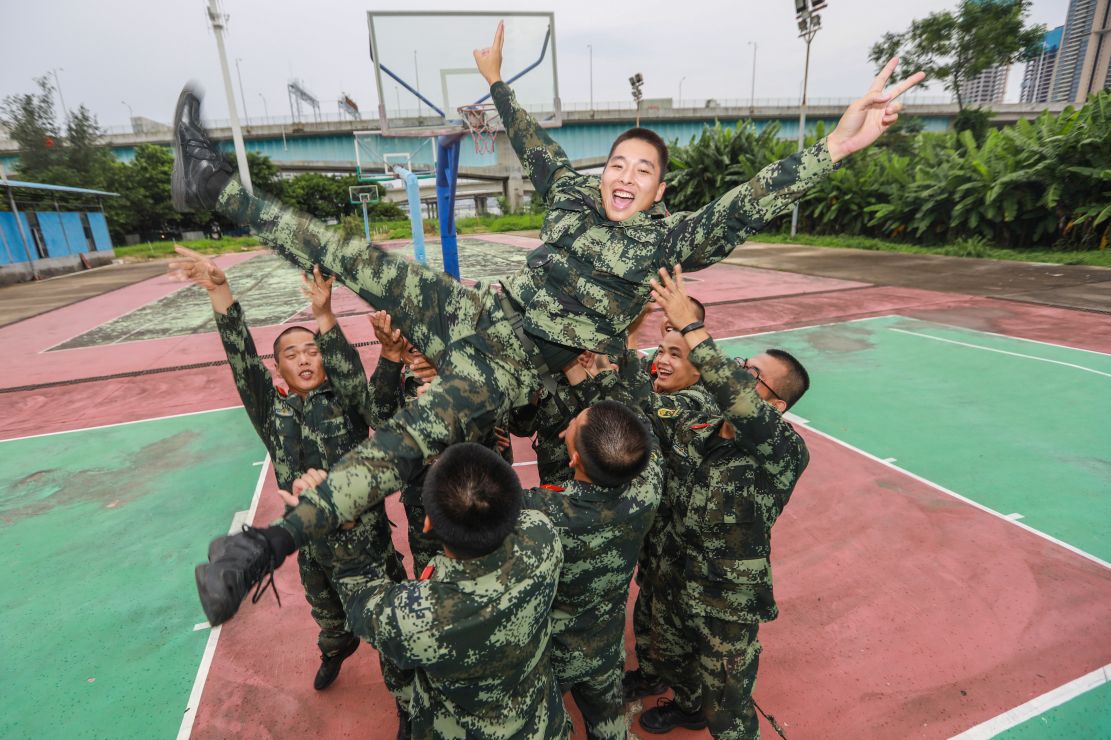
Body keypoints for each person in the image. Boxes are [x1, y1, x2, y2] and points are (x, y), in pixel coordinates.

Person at [181, 24, 923, 627]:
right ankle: (214, 184)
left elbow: (744, 203)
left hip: (506, 368)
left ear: (659, 191)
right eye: (619, 164)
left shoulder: (664, 243)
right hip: (476, 312)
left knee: (394, 452)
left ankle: (254, 552)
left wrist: (834, 145)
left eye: (642, 171)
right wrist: (499, 83)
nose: (624, 176)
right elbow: (534, 144)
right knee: (361, 260)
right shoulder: (570, 197)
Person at [167, 248, 410, 704]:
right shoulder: (271, 410)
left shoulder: (348, 398)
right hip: (307, 541)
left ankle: (406, 702)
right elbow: (241, 360)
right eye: (290, 354)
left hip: (365, 541)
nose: (303, 359)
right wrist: (221, 290)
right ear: (278, 368)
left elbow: (358, 380)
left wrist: (325, 315)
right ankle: (336, 648)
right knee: (326, 612)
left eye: (312, 351)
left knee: (387, 625)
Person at [284, 443, 570, 739]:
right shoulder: (543, 536)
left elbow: (360, 599)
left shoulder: (416, 615)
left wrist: (336, 525)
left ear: (429, 522)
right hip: (542, 724)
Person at [635, 265, 812, 738]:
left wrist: (692, 327)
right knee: (671, 657)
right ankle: (687, 705)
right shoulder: (700, 425)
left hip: (724, 600)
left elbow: (736, 399)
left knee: (727, 709)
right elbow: (645, 400)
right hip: (676, 575)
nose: (736, 372)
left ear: (774, 406)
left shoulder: (783, 450)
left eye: (750, 374)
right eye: (741, 364)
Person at [519, 388, 662, 739]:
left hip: (547, 653)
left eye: (573, 425)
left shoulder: (539, 512)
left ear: (573, 462)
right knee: (609, 724)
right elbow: (648, 435)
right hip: (604, 644)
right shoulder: (647, 491)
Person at [365, 310, 514, 576]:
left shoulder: (469, 368)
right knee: (433, 576)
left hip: (480, 494)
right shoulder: (397, 378)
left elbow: (502, 419)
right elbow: (377, 418)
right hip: (425, 503)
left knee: (494, 567)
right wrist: (390, 358)